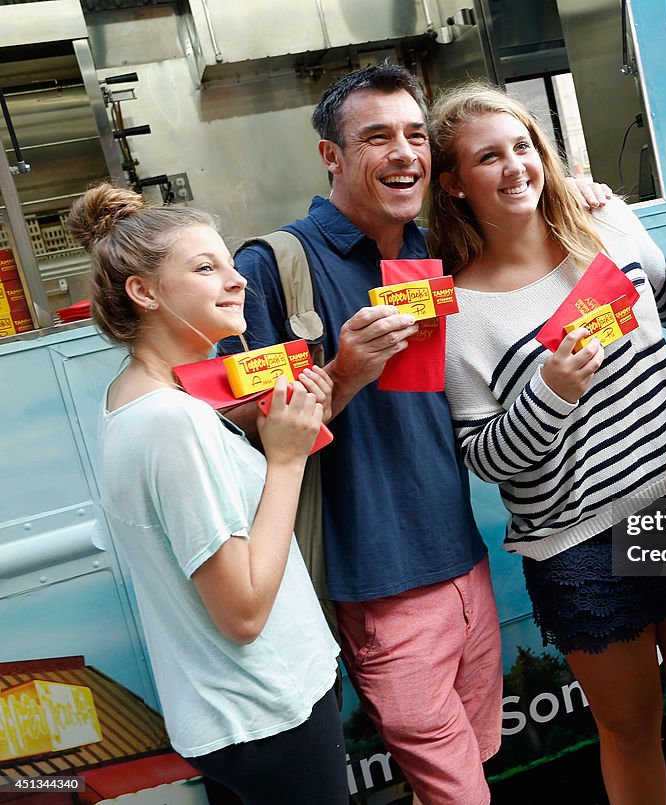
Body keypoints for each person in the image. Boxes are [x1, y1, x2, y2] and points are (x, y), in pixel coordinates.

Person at [429, 82, 666, 805]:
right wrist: (552, 391)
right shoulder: (459, 312)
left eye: (522, 148)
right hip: (577, 547)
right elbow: (484, 457)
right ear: (453, 183)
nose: (514, 168)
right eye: (487, 158)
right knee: (629, 729)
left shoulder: (611, 228)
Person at [220, 64, 502, 805]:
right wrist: (343, 371)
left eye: (415, 135)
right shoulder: (275, 267)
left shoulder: (438, 246)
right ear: (332, 156)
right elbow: (246, 433)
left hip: (465, 559)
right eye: (377, 137)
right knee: (459, 790)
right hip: (378, 585)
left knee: (474, 761)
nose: (404, 152)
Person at [69, 184, 346, 804]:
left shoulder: (132, 399)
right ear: (144, 292)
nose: (236, 279)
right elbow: (243, 612)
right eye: (205, 267)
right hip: (267, 711)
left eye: (227, 262)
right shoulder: (171, 420)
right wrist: (286, 457)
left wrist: (260, 433)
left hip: (237, 715)